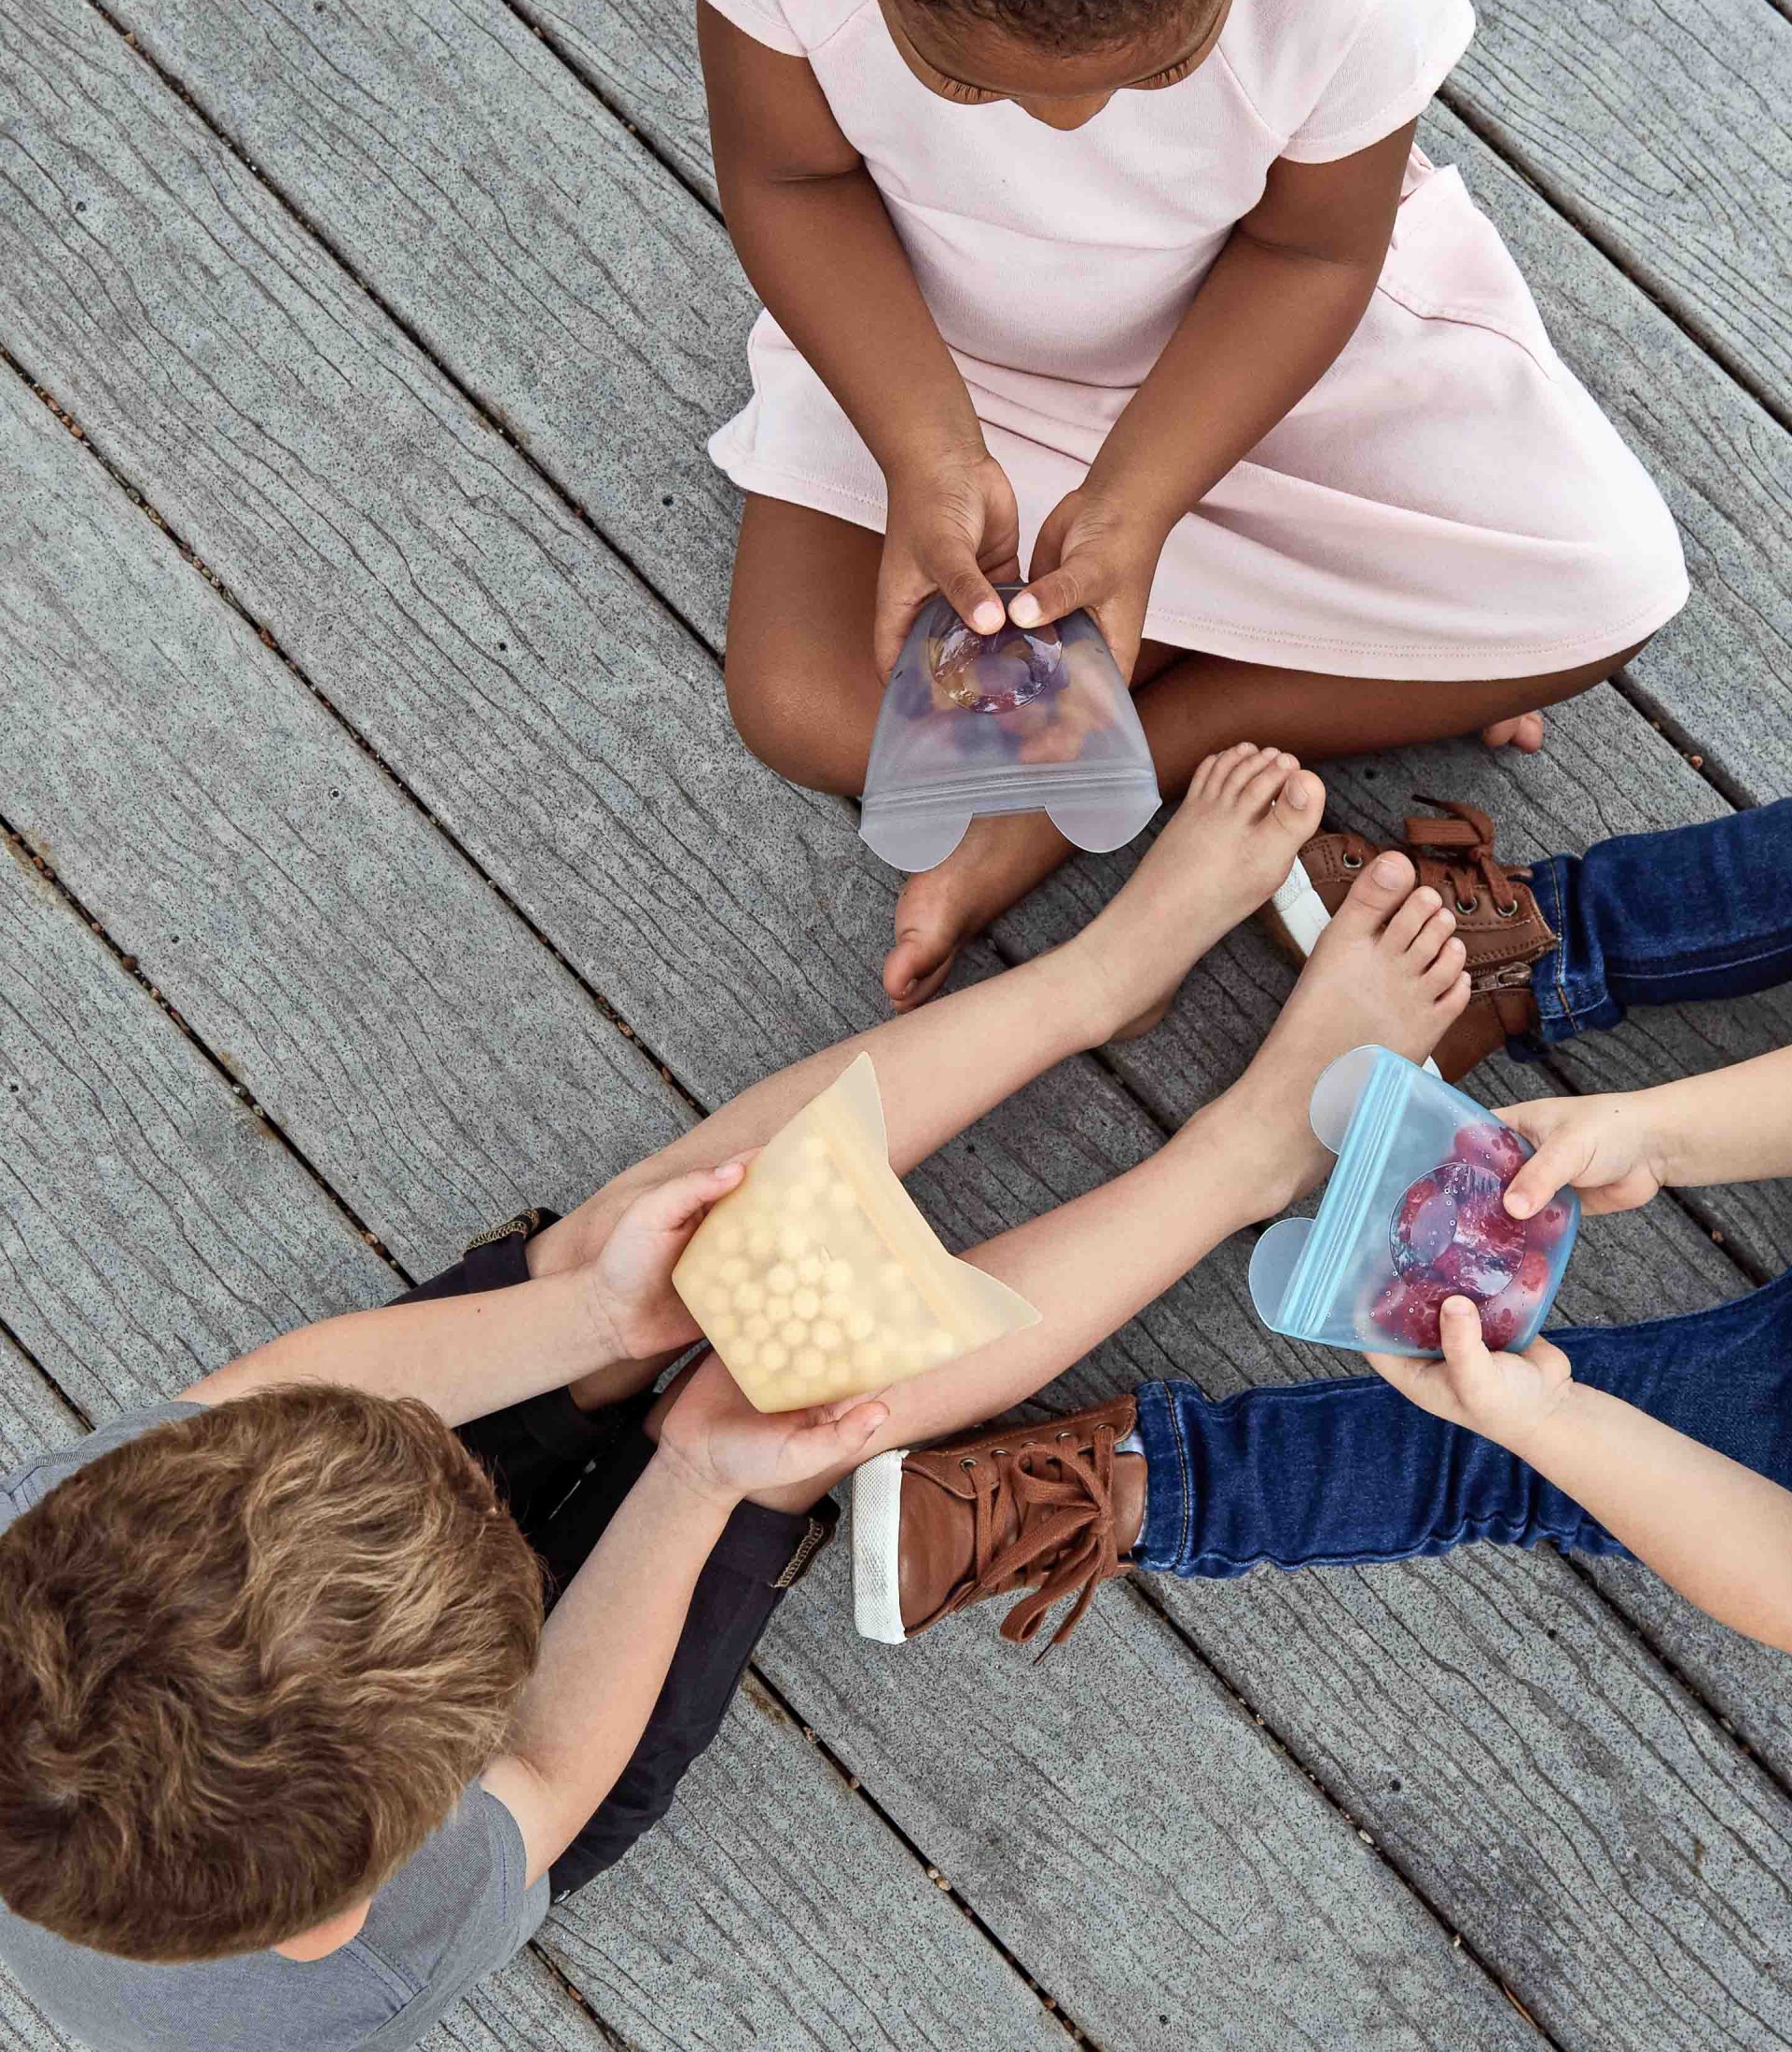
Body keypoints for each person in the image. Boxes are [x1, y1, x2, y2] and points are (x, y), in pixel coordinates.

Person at [0, 748, 1472, 2047]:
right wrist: (696, 1472)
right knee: (811, 1418)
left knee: (641, 1249)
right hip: (544, 1763)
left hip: (330, 1627)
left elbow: (279, 1395)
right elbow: (549, 1764)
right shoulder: (361, 1960)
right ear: (338, 1913)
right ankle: (1249, 1159)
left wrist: (592, 1310)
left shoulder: (61, 1550)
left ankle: (1097, 979)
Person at [862, 770, 1792, 1747]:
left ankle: (1146, 1484)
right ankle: (1524, 957)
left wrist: (1564, 1422)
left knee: (1500, 1442)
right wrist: (1665, 1131)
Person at [657, 0, 1687, 1011]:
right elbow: (794, 186)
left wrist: (1140, 506)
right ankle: (1287, 676)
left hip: (1253, 373)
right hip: (927, 358)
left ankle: (1135, 738)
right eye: (965, 75)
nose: (1068, 128)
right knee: (796, 702)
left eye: (1151, 69)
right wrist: (925, 452)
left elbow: (1310, 252)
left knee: (1607, 585)